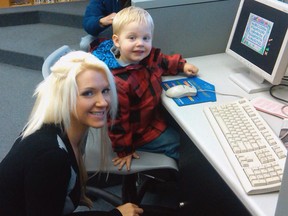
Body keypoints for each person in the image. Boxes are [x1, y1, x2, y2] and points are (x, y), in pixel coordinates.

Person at [0, 51, 143, 216]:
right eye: (88, 93)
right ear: (64, 97)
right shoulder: (50, 157)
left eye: (105, 90)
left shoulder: (61, 129)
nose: (103, 102)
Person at [91, 6, 199, 171]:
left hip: (151, 117)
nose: (140, 44)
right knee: (184, 146)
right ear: (117, 40)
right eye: (132, 38)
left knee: (188, 129)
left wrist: (181, 66)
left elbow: (161, 60)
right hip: (140, 133)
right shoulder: (118, 82)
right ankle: (192, 185)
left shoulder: (144, 57)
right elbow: (117, 123)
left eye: (146, 38)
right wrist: (124, 150)